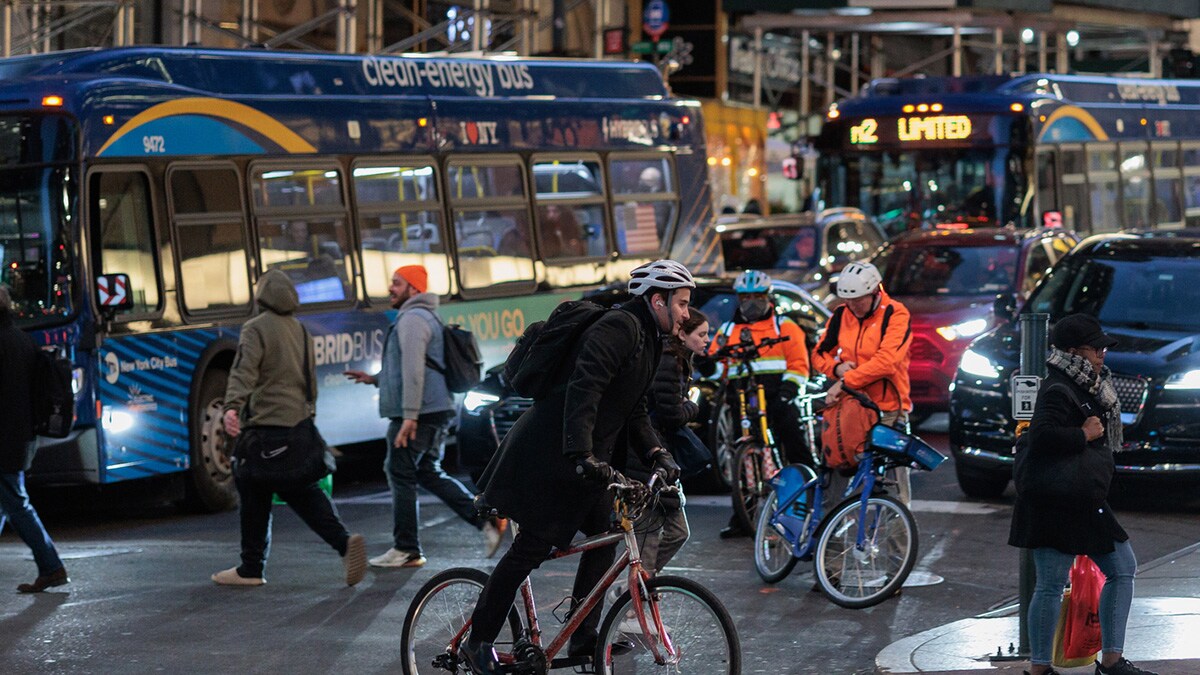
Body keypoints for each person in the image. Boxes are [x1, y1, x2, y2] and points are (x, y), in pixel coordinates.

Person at [460, 260, 694, 674]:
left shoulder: (650, 337)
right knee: (527, 551)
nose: (686, 314)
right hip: (549, 456)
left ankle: (584, 637)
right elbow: (584, 391)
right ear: (657, 300)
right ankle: (477, 643)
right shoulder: (618, 328)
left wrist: (658, 453)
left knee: (605, 538)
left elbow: (633, 409)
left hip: (588, 461)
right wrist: (581, 455)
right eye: (681, 304)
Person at [1009, 314, 1155, 675]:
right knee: (1052, 585)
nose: (1103, 353)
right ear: (1073, 351)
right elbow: (1041, 436)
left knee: (1121, 569)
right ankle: (1042, 668)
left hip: (1080, 497)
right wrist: (1084, 435)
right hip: (1057, 499)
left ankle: (1110, 660)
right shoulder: (1058, 388)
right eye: (1096, 348)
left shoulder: (1087, 384)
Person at [215, 270, 367, 587]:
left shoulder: (255, 328)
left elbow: (244, 371)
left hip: (265, 428)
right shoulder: (300, 330)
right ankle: (338, 543)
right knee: (288, 488)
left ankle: (253, 567)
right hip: (296, 425)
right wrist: (306, 414)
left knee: (258, 485)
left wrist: (232, 406)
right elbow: (311, 381)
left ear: (260, 297)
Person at [346, 265, 501, 567]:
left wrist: (409, 417)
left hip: (423, 411)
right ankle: (485, 518)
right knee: (427, 471)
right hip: (434, 408)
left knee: (399, 470)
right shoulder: (420, 316)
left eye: (396, 283)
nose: (390, 288)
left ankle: (406, 548)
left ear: (413, 289)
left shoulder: (413, 319)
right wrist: (374, 379)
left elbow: (414, 370)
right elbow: (410, 367)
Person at [709, 270, 811, 538]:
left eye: (757, 296)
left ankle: (809, 498)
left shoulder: (784, 327)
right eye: (745, 297)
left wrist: (788, 391)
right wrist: (708, 365)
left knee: (792, 442)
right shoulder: (728, 331)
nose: (751, 302)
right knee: (741, 457)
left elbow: (800, 365)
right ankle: (743, 518)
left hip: (777, 396)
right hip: (742, 401)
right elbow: (717, 367)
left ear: (768, 297)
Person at [811, 261, 913, 503]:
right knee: (835, 471)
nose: (853, 306)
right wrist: (835, 368)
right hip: (850, 409)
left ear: (875, 291)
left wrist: (845, 381)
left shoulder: (895, 314)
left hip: (888, 410)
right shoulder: (841, 315)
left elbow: (886, 362)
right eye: (848, 301)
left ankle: (901, 540)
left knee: (894, 487)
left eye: (859, 300)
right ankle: (828, 536)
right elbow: (818, 354)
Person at [0, 286, 68, 594]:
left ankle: (51, 566)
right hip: (22, 437)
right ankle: (50, 567)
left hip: (4, 441)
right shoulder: (21, 339)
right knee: (9, 502)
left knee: (17, 504)